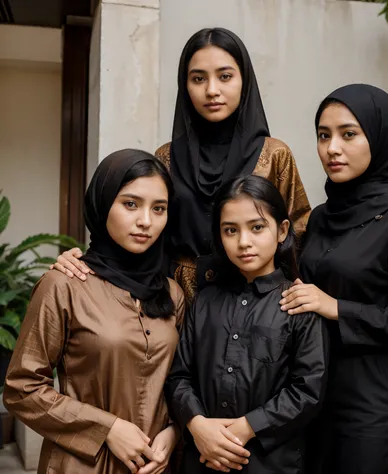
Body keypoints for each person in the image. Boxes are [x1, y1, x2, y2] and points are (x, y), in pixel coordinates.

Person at [50, 27, 311, 304]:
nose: (212, 90)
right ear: (185, 85)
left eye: (225, 76)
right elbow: (143, 229)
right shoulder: (166, 157)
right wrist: (87, 260)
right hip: (175, 301)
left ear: (244, 81)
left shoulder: (274, 154)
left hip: (256, 300)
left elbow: (298, 232)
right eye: (198, 78)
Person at [279, 84, 388, 474]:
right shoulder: (319, 218)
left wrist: (336, 308)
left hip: (372, 407)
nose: (332, 148)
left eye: (349, 134)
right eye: (323, 135)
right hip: (315, 395)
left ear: (380, 137)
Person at [3, 149, 184, 474]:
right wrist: (106, 428)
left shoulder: (172, 293)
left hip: (155, 465)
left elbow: (179, 380)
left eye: (159, 208)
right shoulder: (65, 284)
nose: (146, 220)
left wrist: (174, 431)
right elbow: (21, 389)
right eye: (130, 204)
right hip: (80, 464)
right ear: (102, 205)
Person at [165, 175, 329, 474]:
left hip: (270, 464)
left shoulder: (299, 303)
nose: (244, 242)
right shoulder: (205, 301)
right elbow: (179, 376)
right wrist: (198, 425)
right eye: (231, 230)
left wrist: (246, 428)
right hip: (203, 460)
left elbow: (307, 390)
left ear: (281, 231)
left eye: (257, 227)